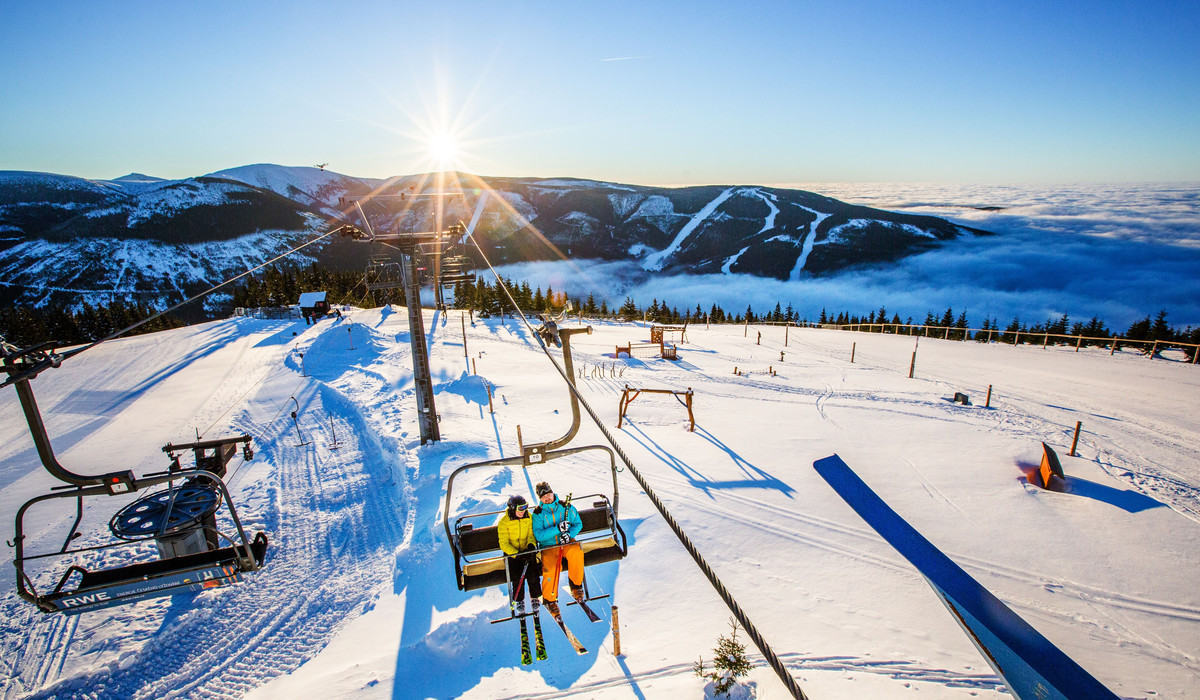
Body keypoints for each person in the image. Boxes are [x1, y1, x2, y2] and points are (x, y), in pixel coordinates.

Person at [531, 481, 583, 615]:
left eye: (548, 495)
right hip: (549, 545)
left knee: (576, 552)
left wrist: (569, 534)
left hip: (566, 542)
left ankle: (576, 586)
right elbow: (539, 535)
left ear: (552, 493)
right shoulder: (538, 513)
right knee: (551, 569)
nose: (547, 498)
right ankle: (550, 600)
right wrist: (557, 529)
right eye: (543, 497)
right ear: (540, 499)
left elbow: (578, 524)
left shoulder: (565, 507)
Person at [497, 494, 542, 616]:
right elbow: (504, 544)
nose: (523, 511)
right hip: (513, 554)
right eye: (520, 508)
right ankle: (519, 600)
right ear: (512, 508)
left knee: (533, 573)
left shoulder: (529, 517)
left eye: (525, 507)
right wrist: (517, 555)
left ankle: (535, 596)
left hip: (527, 551)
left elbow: (531, 535)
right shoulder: (504, 523)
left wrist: (531, 545)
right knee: (517, 576)